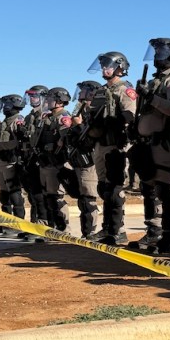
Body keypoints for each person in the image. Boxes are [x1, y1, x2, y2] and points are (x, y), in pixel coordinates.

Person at [128, 37, 170, 254]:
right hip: (148, 144)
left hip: (166, 143)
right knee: (149, 188)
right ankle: (153, 232)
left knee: (166, 190)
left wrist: (151, 97)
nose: (157, 55)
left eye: (162, 51)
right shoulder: (156, 80)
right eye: (155, 51)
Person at [86, 51, 137, 245]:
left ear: (119, 67)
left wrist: (113, 121)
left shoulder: (125, 90)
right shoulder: (100, 91)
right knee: (104, 187)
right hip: (100, 144)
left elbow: (130, 115)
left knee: (115, 188)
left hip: (117, 144)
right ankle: (107, 228)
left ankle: (116, 231)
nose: (104, 68)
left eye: (108, 65)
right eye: (103, 65)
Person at [68, 81, 102, 239]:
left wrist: (80, 126)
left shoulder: (96, 111)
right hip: (78, 160)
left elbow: (92, 139)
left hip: (90, 161)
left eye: (83, 92)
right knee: (82, 199)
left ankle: (90, 232)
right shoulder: (81, 111)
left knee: (88, 199)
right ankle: (85, 232)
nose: (80, 94)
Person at [36, 87, 73, 232]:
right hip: (45, 162)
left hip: (56, 162)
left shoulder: (63, 117)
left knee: (56, 196)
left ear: (59, 101)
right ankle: (52, 226)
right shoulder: (48, 118)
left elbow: (66, 138)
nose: (47, 102)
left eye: (50, 99)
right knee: (48, 196)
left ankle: (64, 227)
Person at [0, 94, 27, 232]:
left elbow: (21, 141)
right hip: (2, 161)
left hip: (12, 161)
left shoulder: (17, 121)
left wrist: (6, 147)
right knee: (4, 195)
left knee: (14, 193)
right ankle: (6, 223)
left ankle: (18, 223)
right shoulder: (4, 122)